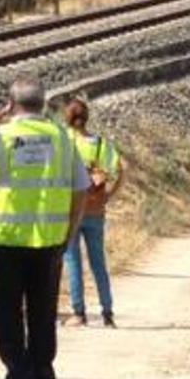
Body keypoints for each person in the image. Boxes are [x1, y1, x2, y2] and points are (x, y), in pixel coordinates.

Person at [0, 75, 90, 379]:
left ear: (9, 105)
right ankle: (42, 377)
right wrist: (70, 231)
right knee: (43, 310)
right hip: (50, 241)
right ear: (43, 105)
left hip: (5, 241)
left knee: (7, 311)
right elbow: (80, 188)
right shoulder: (63, 138)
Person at [61, 98, 124, 328]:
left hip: (71, 209)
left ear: (67, 118)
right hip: (96, 210)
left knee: (73, 261)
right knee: (98, 262)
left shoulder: (65, 142)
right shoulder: (100, 143)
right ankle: (107, 312)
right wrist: (109, 195)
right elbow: (120, 170)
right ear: (86, 118)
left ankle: (79, 313)